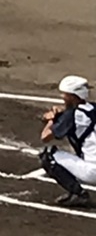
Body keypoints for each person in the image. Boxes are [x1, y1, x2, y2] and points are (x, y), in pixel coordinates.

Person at [38, 75, 95, 209]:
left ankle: (78, 194)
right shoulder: (93, 108)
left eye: (66, 94)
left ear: (73, 96)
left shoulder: (70, 116)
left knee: (48, 156)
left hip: (93, 171)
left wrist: (52, 120)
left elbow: (45, 137)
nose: (63, 97)